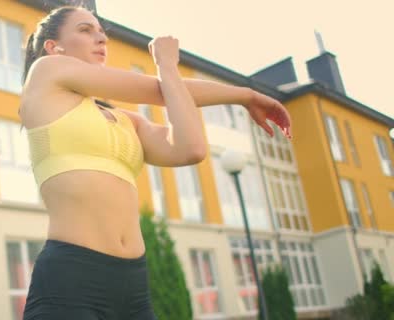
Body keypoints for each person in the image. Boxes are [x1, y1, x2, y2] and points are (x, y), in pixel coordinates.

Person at [18, 6, 292, 320]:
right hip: (71, 279)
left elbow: (190, 147)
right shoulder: (45, 73)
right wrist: (239, 93)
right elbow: (154, 90)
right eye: (85, 30)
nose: (100, 39)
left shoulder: (128, 122)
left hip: (132, 285)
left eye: (101, 32)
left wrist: (241, 94)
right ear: (54, 47)